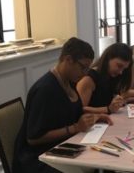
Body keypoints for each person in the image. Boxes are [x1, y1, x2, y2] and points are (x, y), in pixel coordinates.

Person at [13, 37, 112, 173]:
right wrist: (75, 128)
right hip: (37, 158)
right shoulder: (45, 89)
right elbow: (33, 138)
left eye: (87, 69)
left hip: (59, 148)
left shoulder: (69, 82)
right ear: (68, 59)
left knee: (102, 155)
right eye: (82, 67)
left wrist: (95, 117)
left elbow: (72, 113)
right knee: (92, 163)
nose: (84, 74)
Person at [76, 43, 133, 115]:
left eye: (124, 69)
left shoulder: (113, 76)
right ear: (108, 58)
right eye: (119, 66)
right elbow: (80, 110)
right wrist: (108, 109)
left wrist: (123, 102)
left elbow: (108, 101)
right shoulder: (89, 79)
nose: (121, 72)